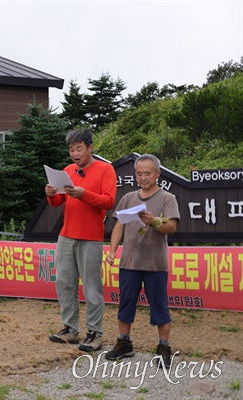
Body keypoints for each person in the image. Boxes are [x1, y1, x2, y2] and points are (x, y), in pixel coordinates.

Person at [45, 128, 117, 352]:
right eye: (71, 149)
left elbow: (108, 201)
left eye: (79, 148)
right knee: (64, 283)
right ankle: (70, 329)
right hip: (66, 235)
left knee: (92, 287)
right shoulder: (68, 170)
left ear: (90, 148)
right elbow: (58, 202)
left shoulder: (106, 169)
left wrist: (83, 193)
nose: (74, 153)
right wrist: (50, 194)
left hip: (91, 237)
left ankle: (95, 333)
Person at [105, 154, 180, 368]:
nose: (143, 177)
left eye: (147, 173)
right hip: (129, 262)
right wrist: (112, 251)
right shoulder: (128, 198)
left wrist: (155, 221)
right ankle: (124, 343)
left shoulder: (167, 198)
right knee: (125, 304)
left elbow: (172, 228)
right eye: (139, 174)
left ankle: (163, 346)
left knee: (159, 306)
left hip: (156, 264)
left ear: (158, 173)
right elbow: (119, 225)